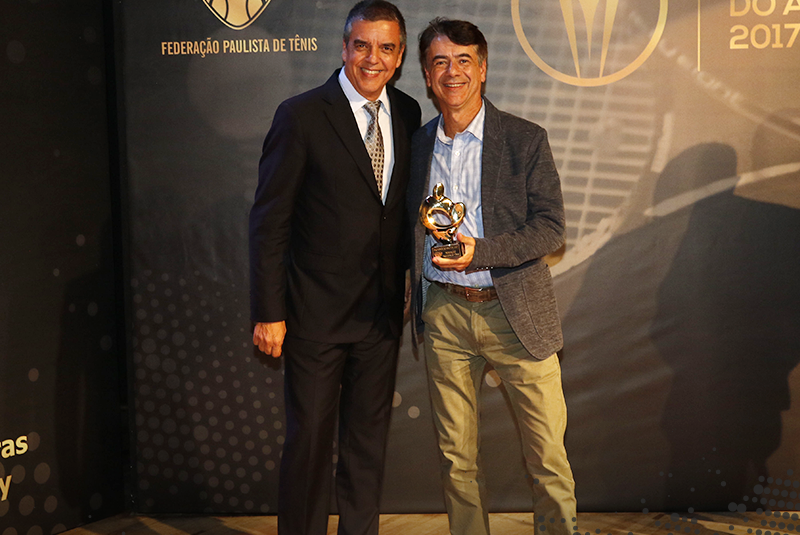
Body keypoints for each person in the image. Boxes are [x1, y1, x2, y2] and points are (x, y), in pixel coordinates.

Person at [248, 1, 421, 533]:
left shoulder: (409, 112)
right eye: (362, 45)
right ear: (344, 48)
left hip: (381, 317)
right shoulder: (300, 114)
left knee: (367, 448)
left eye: (386, 48)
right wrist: (269, 311)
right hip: (314, 316)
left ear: (400, 56)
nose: (373, 58)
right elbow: (269, 222)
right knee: (309, 445)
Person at [406, 18, 577, 535]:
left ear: (482, 69)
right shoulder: (417, 145)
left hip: (515, 314)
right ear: (427, 75)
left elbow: (551, 229)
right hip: (444, 314)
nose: (452, 72)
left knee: (547, 457)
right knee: (456, 459)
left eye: (463, 60)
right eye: (439, 62)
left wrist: (481, 253)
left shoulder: (524, 139)